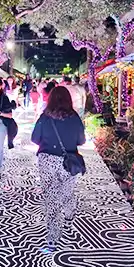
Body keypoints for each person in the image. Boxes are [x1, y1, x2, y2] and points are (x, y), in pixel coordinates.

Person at [31, 86, 86, 251]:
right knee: (67, 191)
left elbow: (34, 138)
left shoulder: (44, 117)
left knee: (51, 196)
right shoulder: (74, 117)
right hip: (68, 161)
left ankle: (53, 237)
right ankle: (69, 218)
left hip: (47, 160)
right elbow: (81, 141)